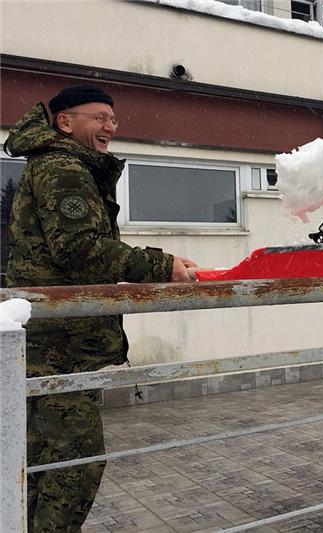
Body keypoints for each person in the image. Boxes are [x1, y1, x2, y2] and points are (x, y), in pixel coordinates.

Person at [4, 85, 197, 532]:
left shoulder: (60, 164)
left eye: (113, 118)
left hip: (54, 340)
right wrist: (161, 265)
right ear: (65, 122)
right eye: (99, 117)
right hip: (60, 344)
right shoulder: (62, 169)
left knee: (40, 462)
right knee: (75, 464)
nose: (109, 126)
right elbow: (79, 249)